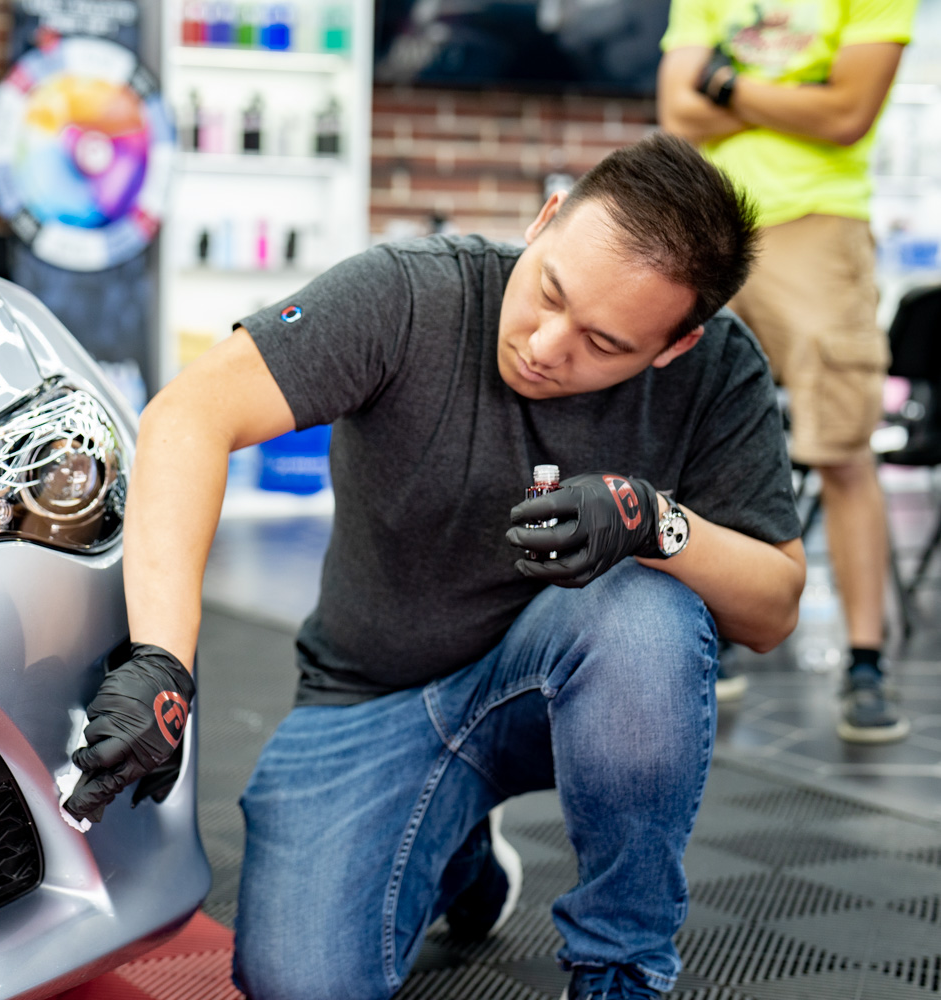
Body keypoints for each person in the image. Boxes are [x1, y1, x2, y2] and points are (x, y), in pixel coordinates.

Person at [65, 133, 805, 1000]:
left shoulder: (717, 372)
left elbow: (774, 606)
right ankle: (456, 855)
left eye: (603, 343)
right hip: (371, 697)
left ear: (674, 346)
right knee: (298, 984)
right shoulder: (412, 293)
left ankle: (621, 967)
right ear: (546, 218)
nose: (545, 343)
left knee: (648, 614)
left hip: (562, 682)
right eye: (550, 290)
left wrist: (657, 522)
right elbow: (189, 413)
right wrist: (162, 659)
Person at [658, 0, 916, 741]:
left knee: (842, 449)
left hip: (818, 227)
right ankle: (708, 640)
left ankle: (865, 663)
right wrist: (791, 100)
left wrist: (727, 89)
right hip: (709, 223)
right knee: (682, 440)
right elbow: (679, 110)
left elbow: (847, 115)